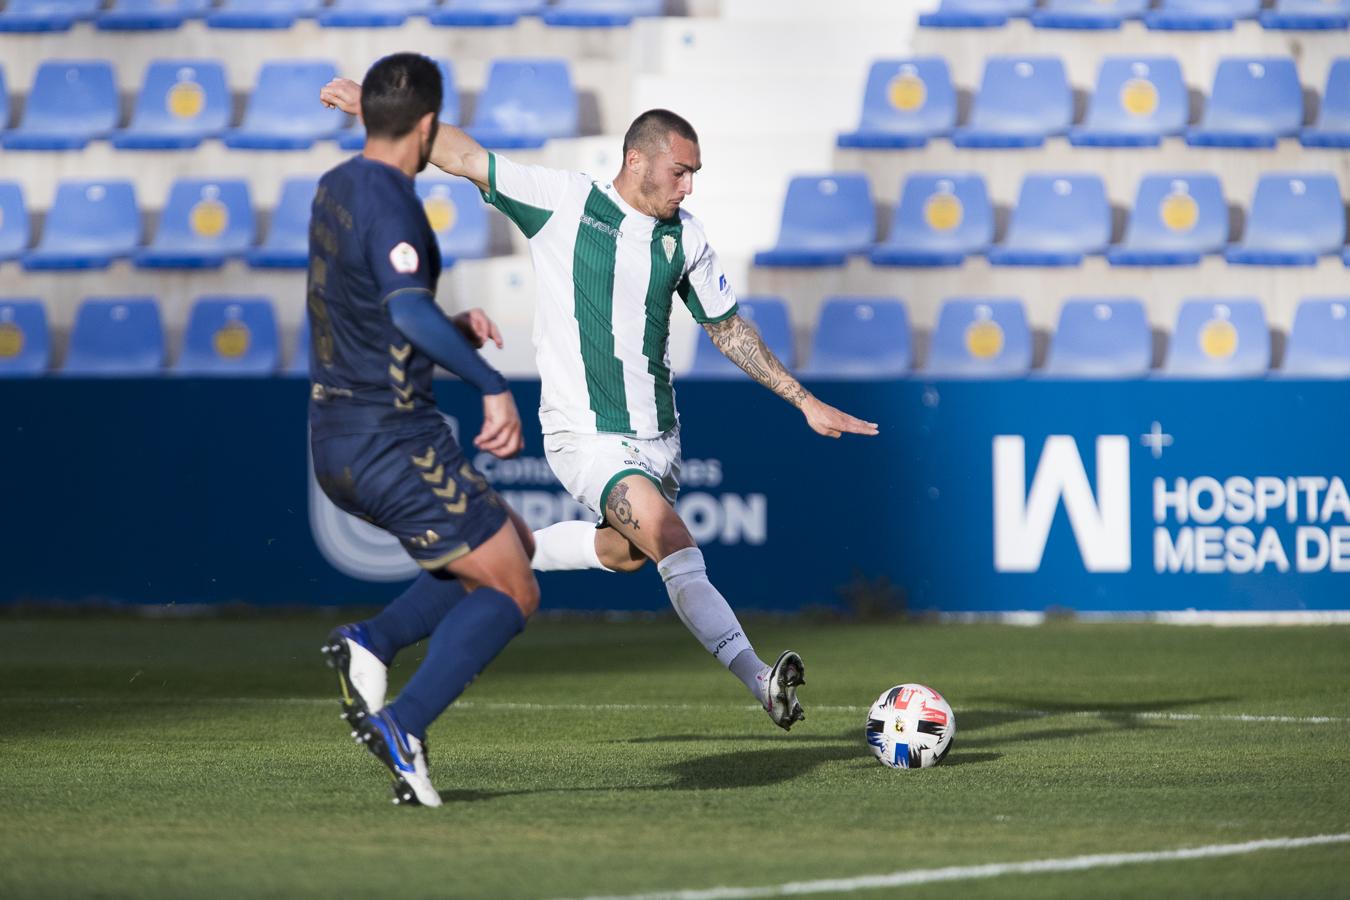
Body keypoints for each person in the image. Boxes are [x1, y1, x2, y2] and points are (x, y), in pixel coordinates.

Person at [320, 77, 878, 733]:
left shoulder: (685, 239)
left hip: (659, 442)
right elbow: (466, 157)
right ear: (636, 160)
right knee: (672, 541)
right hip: (587, 438)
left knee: (623, 552)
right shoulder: (562, 202)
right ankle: (761, 680)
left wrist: (802, 400)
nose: (688, 187)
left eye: (695, 174)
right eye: (680, 171)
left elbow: (727, 327)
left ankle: (463, 579)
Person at [309, 53, 540, 807]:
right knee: (515, 587)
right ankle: (404, 724)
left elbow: (373, 308)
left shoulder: (335, 186)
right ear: (431, 124)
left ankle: (371, 642)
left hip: (335, 432)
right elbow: (403, 311)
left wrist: (451, 326)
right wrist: (493, 386)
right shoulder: (394, 203)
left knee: (514, 538)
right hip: (391, 436)